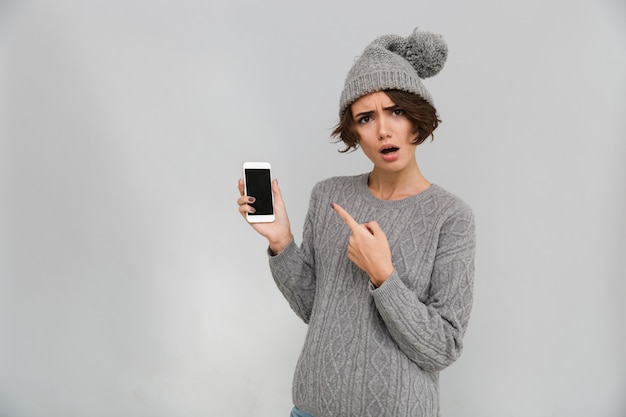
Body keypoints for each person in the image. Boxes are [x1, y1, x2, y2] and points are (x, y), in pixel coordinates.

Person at [237, 27, 475, 417]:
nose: (383, 129)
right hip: (311, 409)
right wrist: (282, 244)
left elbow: (442, 348)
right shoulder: (329, 195)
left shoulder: (451, 216)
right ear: (354, 132)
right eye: (366, 118)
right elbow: (319, 309)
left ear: (417, 118)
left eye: (396, 111)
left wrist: (383, 276)